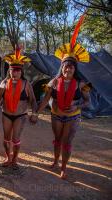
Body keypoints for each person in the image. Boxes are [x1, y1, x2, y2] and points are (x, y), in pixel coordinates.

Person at [36, 14, 90, 179]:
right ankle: (55, 161)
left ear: (75, 69)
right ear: (62, 67)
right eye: (66, 67)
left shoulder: (83, 83)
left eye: (71, 68)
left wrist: (77, 106)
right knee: (57, 139)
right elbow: (46, 98)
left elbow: (88, 102)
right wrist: (36, 112)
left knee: (67, 142)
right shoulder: (53, 81)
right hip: (56, 115)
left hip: (73, 117)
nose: (68, 70)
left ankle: (64, 168)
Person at [0, 46, 38, 169]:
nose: (15, 72)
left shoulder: (26, 84)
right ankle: (8, 157)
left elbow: (33, 100)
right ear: (9, 71)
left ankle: (15, 159)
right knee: (6, 138)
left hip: (20, 115)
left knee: (15, 138)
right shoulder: (3, 83)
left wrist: (34, 114)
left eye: (18, 70)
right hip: (6, 114)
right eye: (13, 70)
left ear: (21, 71)